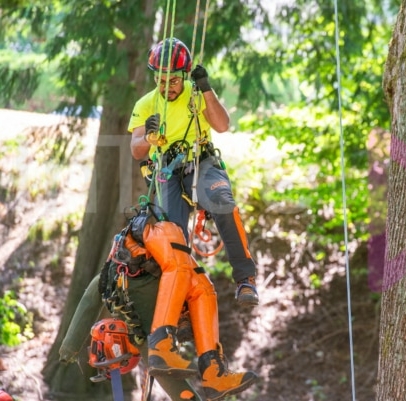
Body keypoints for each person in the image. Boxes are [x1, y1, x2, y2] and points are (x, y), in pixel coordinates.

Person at [60, 214, 259, 401]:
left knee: (197, 287)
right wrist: (68, 349)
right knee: (201, 290)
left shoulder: (111, 284)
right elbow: (179, 391)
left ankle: (212, 371)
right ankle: (212, 371)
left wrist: (69, 349)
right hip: (161, 255)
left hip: (159, 253)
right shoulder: (113, 287)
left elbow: (88, 302)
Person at [127, 37, 259, 308]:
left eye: (173, 81)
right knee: (173, 237)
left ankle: (245, 279)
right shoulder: (146, 105)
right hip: (166, 172)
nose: (166, 88)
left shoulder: (196, 94)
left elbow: (222, 125)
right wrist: (149, 139)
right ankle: (183, 301)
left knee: (223, 203)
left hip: (202, 163)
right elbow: (136, 150)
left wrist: (207, 89)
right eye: (160, 81)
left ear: (183, 77)